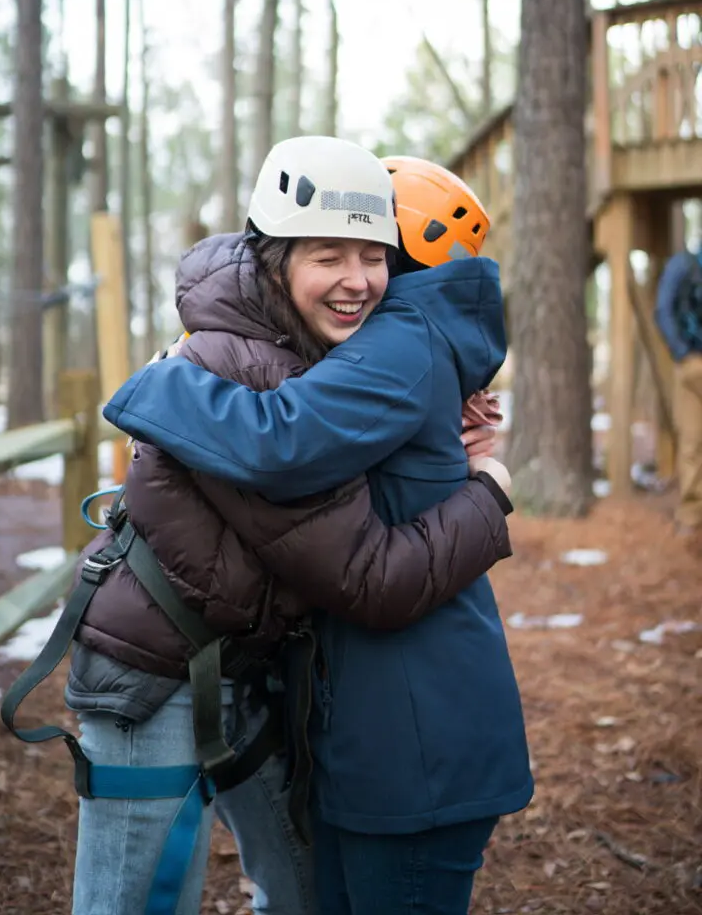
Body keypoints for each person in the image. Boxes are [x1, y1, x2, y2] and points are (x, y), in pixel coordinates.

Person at [58, 138, 515, 915]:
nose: (357, 280)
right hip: (153, 667)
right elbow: (364, 570)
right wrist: (490, 493)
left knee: (300, 892)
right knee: (132, 902)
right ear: (274, 261)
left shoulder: (312, 352)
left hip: (245, 665)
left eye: (374, 256)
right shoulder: (249, 372)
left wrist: (441, 420)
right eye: (327, 256)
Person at [655, 229, 702, 534]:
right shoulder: (684, 266)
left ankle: (690, 517)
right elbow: (663, 311)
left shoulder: (681, 265)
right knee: (692, 439)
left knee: (692, 440)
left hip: (689, 362)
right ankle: (691, 517)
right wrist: (683, 354)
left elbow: (662, 309)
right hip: (693, 362)